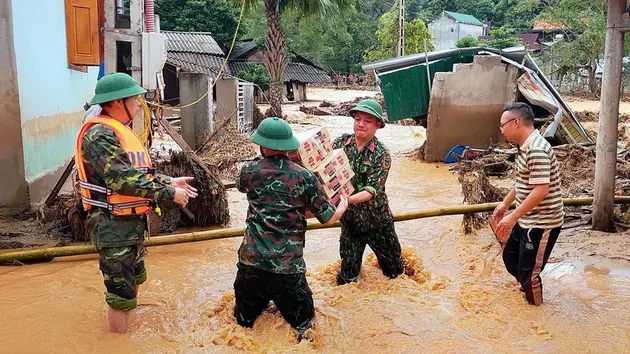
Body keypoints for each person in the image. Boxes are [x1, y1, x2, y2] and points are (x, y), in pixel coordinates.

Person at [75, 72, 197, 333]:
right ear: (118, 102)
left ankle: (129, 329)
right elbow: (122, 180)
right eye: (134, 98)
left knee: (134, 280)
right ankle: (118, 343)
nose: (138, 103)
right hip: (112, 227)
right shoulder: (99, 135)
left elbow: (138, 173)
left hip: (130, 225)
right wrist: (168, 194)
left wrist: (169, 182)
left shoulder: (119, 131)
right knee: (120, 296)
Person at [234, 117, 348, 341]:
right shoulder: (304, 177)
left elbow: (242, 187)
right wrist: (342, 206)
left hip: (251, 265)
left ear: (263, 145)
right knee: (305, 328)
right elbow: (327, 217)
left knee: (242, 325)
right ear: (289, 146)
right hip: (288, 270)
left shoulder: (249, 170)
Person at [493, 102, 564, 306]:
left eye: (502, 125)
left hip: (542, 221)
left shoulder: (536, 150)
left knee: (530, 272)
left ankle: (537, 314)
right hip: (527, 217)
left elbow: (541, 190)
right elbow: (523, 181)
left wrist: (512, 217)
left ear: (516, 123)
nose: (501, 129)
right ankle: (526, 287)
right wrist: (505, 204)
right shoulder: (524, 147)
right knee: (510, 257)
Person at [332, 99, 405, 285]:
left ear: (378, 125)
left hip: (377, 222)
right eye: (358, 119)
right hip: (350, 223)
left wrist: (346, 200)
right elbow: (323, 167)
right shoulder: (340, 143)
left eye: (367, 121)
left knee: (395, 274)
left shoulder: (381, 154)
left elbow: (372, 190)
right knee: (346, 279)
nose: (361, 124)